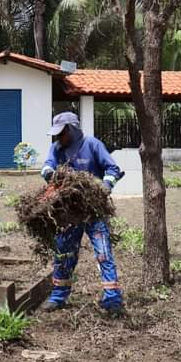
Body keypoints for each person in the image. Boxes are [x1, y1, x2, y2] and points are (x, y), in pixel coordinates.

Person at [39, 111, 124, 314]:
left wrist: (105, 186)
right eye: (57, 134)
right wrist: (49, 173)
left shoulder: (92, 145)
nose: (58, 138)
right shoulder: (56, 149)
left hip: (94, 211)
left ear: (73, 129)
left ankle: (112, 299)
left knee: (103, 253)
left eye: (62, 133)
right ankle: (58, 297)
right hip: (68, 212)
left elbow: (113, 169)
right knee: (64, 253)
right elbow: (47, 166)